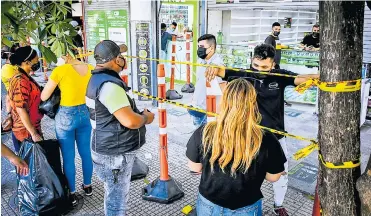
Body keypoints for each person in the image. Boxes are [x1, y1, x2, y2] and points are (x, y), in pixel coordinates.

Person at [205, 44, 319, 216]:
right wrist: (212, 68)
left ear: (273, 64)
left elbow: (305, 79)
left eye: (264, 67)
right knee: (242, 171)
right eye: (256, 65)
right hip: (248, 136)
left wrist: (325, 78)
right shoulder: (245, 73)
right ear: (252, 61)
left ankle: (278, 204)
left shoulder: (280, 76)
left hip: (275, 136)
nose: (259, 70)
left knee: (281, 174)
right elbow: (221, 71)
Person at [186, 78, 287, 216]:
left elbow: (194, 167)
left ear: (224, 101)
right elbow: (273, 177)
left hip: (208, 204)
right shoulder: (267, 139)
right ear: (253, 104)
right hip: (247, 207)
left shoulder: (205, 132)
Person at [85, 40, 155, 215]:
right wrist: (146, 117)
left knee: (113, 193)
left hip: (105, 146)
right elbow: (130, 121)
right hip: (114, 154)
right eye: (121, 56)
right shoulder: (109, 85)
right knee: (116, 200)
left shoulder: (97, 79)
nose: (124, 60)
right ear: (117, 60)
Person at [41, 55, 94, 206]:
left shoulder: (60, 70)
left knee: (68, 156)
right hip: (85, 114)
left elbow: (44, 95)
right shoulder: (90, 68)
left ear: (65, 55)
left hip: (66, 117)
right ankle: (88, 185)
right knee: (86, 153)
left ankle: (71, 193)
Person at [8, 46, 44, 145]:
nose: (38, 63)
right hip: (25, 133)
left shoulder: (23, 77)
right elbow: (20, 108)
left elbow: (8, 98)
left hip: (30, 128)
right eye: (36, 60)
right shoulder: (21, 81)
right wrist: (33, 133)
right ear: (27, 62)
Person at [188, 34, 225, 127]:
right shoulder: (201, 60)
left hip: (208, 112)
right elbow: (199, 81)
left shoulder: (217, 64)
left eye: (202, 47)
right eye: (198, 46)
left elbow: (223, 88)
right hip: (197, 107)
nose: (199, 49)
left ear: (211, 48)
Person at [1, 44, 21, 151]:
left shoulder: (15, 66)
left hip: (21, 102)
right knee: (18, 130)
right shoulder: (6, 68)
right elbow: (20, 83)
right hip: (15, 103)